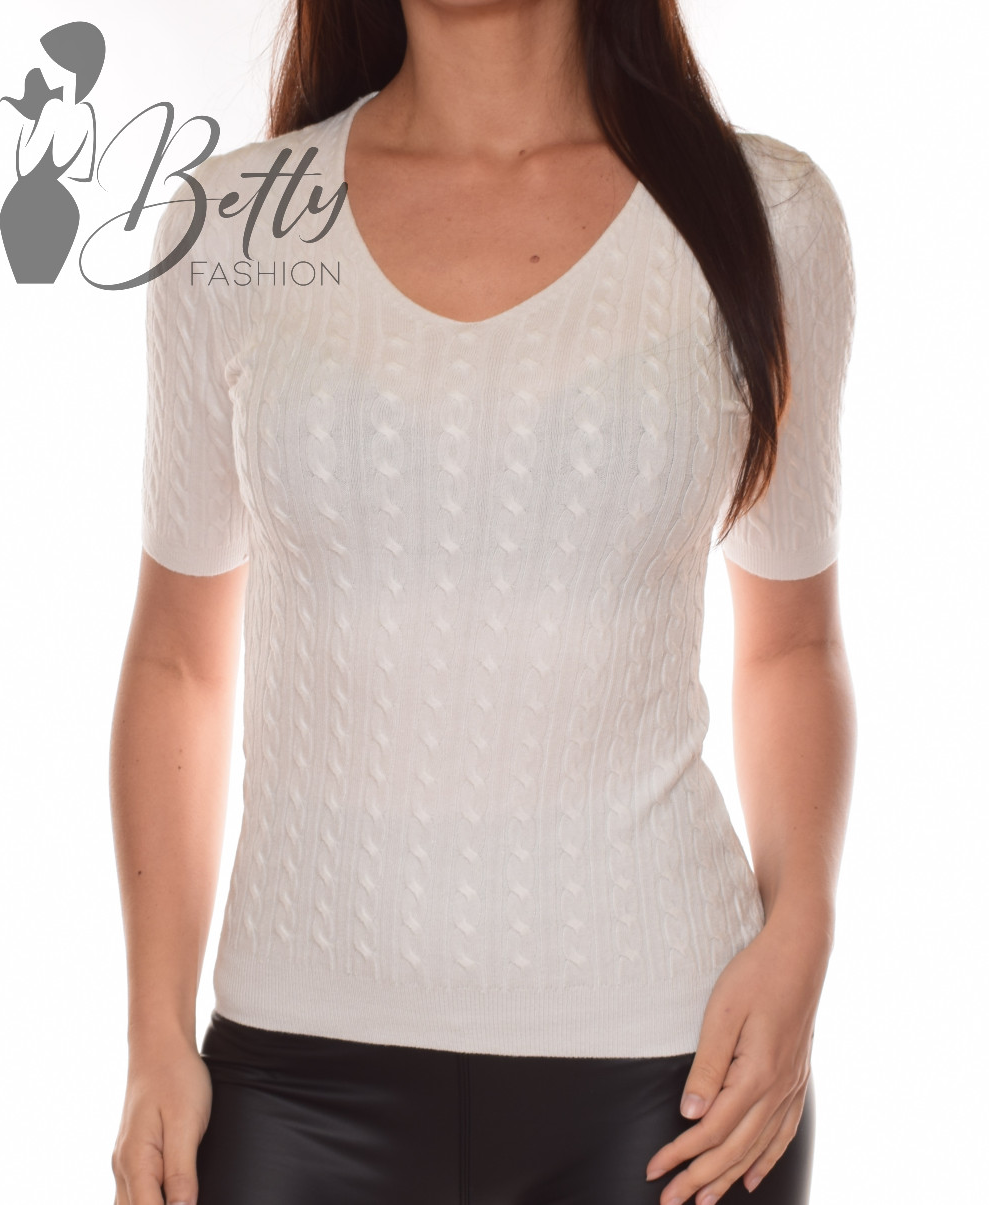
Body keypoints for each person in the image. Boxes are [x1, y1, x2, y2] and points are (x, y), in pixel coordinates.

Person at [110, 1, 857, 1204]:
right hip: (293, 1074)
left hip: (673, 1083)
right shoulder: (235, 224)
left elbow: (792, 641)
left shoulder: (765, 216)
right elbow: (178, 660)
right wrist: (155, 1032)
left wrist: (803, 928)